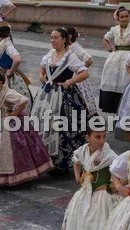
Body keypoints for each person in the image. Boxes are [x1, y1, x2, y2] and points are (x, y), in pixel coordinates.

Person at [0, 69, 53, 187]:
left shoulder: (8, 93)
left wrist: (13, 115)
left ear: (0, 84)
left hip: (7, 123)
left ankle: (11, 175)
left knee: (12, 147)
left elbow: (23, 101)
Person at [32, 28, 92, 170]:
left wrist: (69, 82)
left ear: (64, 40)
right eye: (51, 37)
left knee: (62, 125)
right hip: (47, 95)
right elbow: (41, 67)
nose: (52, 40)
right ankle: (45, 156)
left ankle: (61, 159)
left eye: (56, 37)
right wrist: (41, 76)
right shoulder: (49, 54)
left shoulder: (69, 56)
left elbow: (84, 73)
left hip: (64, 96)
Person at [61, 126, 119, 230]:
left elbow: (119, 170)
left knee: (98, 222)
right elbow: (76, 160)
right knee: (80, 217)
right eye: (97, 137)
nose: (102, 141)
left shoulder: (109, 155)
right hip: (85, 191)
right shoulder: (83, 150)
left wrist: (114, 183)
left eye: (104, 136)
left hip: (102, 195)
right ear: (88, 138)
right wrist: (77, 176)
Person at [99, 6, 130, 113]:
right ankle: (113, 107)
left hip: (128, 56)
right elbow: (105, 38)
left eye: (126, 16)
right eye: (122, 17)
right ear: (118, 18)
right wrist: (110, 49)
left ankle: (126, 106)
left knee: (125, 79)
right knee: (113, 78)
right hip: (115, 57)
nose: (125, 19)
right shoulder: (114, 29)